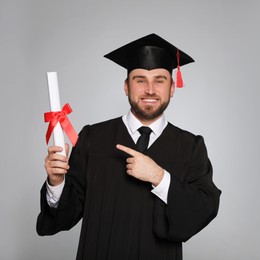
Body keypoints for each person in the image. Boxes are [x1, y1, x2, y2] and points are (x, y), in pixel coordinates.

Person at [37, 33, 221, 260]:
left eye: (160, 80)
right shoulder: (93, 138)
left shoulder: (190, 147)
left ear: (172, 88)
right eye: (140, 80)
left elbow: (204, 208)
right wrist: (56, 183)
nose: (150, 90)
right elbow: (66, 214)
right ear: (126, 86)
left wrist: (160, 177)